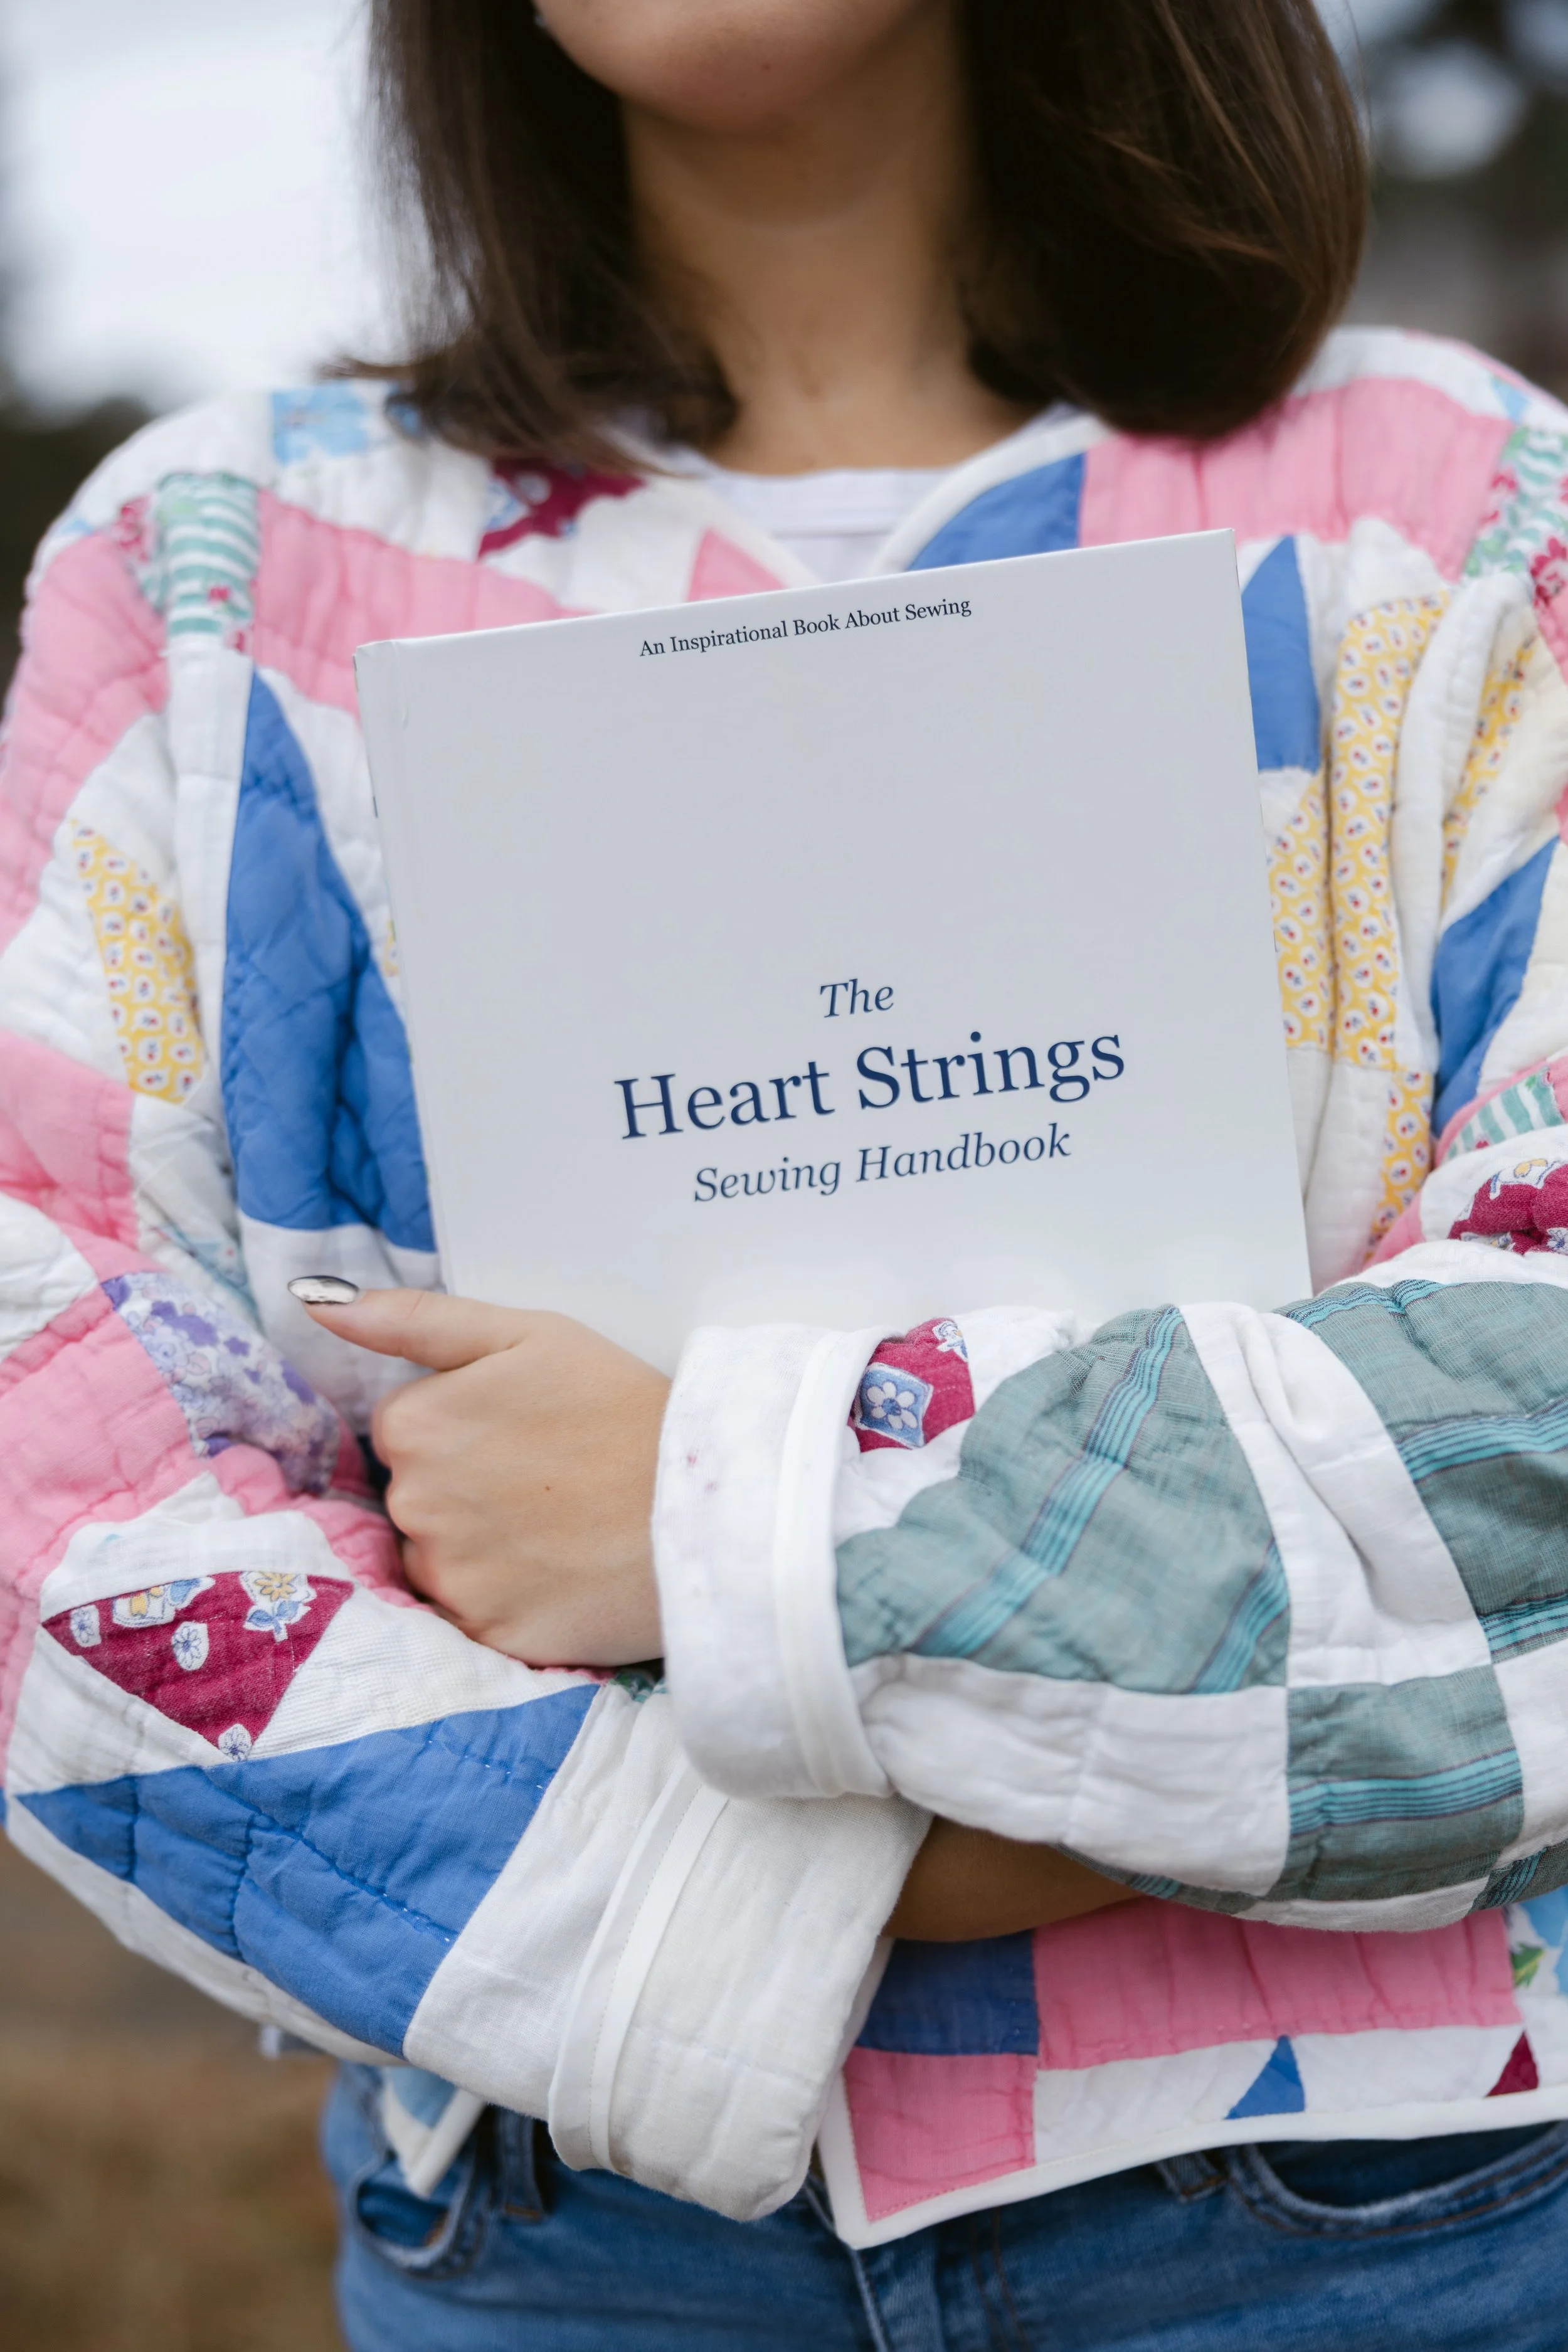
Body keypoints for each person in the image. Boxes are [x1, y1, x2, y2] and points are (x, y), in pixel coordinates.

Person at [8, 0, 1568, 2342]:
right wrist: (872, 1863)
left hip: (1390, 2207)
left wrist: (707, 1512)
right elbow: (58, 1460)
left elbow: (1532, 1402)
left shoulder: (1453, 509)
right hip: (570, 2232)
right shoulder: (213, 570)